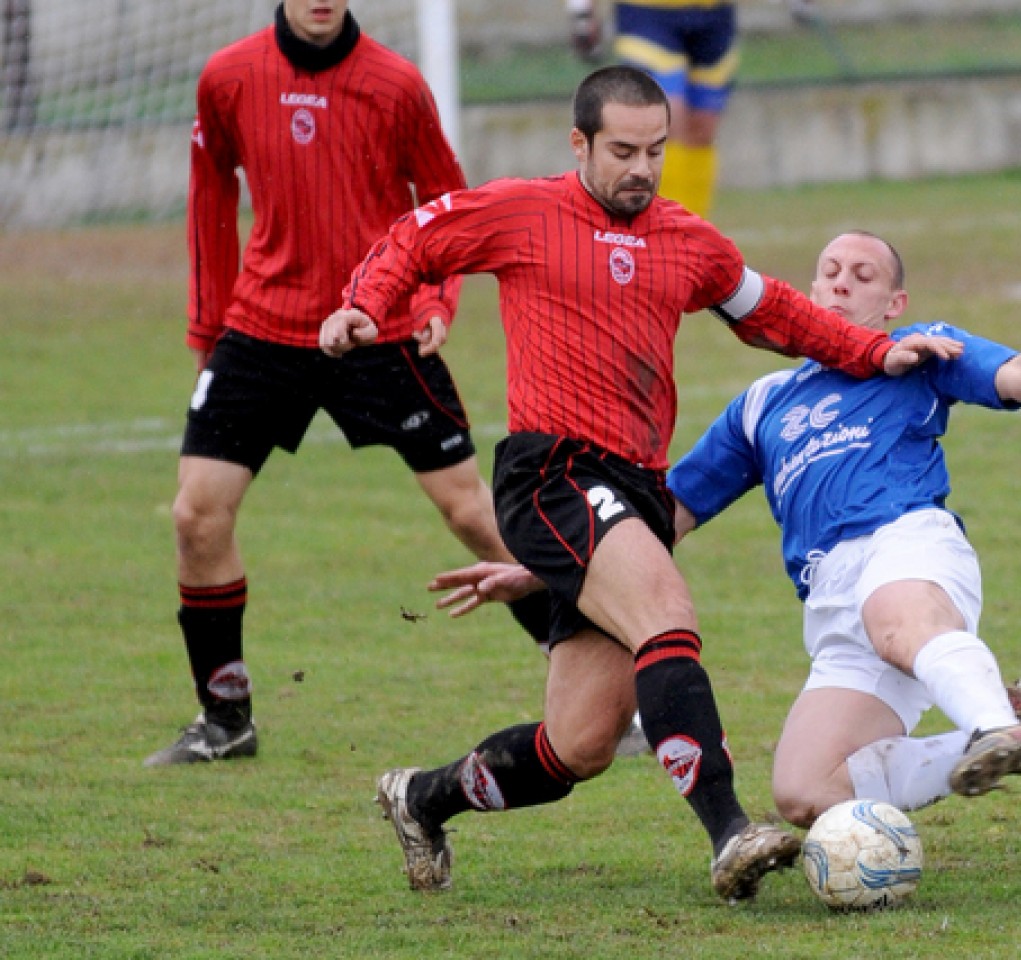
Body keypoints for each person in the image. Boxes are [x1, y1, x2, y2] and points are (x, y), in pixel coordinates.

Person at [318, 65, 965, 902]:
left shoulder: (688, 241)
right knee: (668, 614)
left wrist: (876, 351)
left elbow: (775, 313)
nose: (642, 168)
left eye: (655, 151)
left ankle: (421, 797)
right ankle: (731, 831)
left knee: (577, 744)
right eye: (622, 150)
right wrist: (366, 302)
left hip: (633, 488)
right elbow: (416, 236)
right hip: (552, 470)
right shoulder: (522, 210)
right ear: (579, 143)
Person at [431, 231, 1021, 829]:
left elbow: (1017, 377)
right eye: (828, 273)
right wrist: (548, 566)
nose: (840, 285)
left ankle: (996, 726)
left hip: (905, 543)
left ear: (892, 305)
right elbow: (663, 516)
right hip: (831, 602)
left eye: (862, 277)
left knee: (898, 624)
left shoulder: (921, 352)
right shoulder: (764, 404)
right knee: (806, 791)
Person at [145, 0, 547, 767]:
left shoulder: (396, 85)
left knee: (472, 512)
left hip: (378, 325)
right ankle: (225, 718)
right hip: (263, 328)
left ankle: (583, 671)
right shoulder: (228, 77)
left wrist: (434, 298)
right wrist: (207, 328)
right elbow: (210, 196)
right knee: (197, 515)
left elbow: (444, 198)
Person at [566, 0, 812, 219]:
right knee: (669, 119)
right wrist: (581, 12)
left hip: (715, 17)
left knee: (702, 129)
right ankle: (658, 228)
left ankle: (692, 232)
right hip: (648, 14)